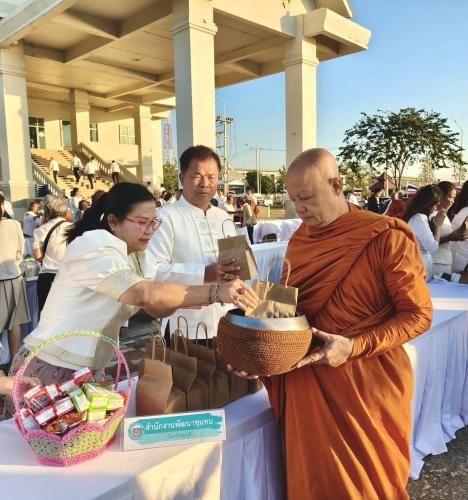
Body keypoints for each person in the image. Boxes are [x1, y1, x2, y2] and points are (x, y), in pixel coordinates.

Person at [230, 149, 432, 499]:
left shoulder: (385, 237)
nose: (300, 209)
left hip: (366, 389)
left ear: (336, 185)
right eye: (294, 200)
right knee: (313, 483)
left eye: (307, 198)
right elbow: (287, 310)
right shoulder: (300, 239)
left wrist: (354, 347)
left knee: (367, 487)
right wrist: (257, 350)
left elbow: (419, 315)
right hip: (310, 390)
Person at [5, 182, 257, 418]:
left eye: (153, 222)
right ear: (113, 222)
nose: (150, 230)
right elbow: (144, 294)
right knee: (42, 443)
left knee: (82, 443)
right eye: (141, 222)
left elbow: (156, 306)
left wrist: (190, 297)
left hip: (88, 369)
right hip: (51, 365)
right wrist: (215, 293)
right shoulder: (93, 246)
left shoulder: (136, 254)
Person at [148, 145, 242, 338]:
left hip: (226, 320)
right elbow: (153, 271)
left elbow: (237, 263)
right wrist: (205, 273)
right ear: (182, 178)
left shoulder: (223, 217)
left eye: (211, 177)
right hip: (185, 325)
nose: (205, 184)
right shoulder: (166, 217)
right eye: (197, 176)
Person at [0, 194, 31, 363]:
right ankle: (13, 361)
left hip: (9, 275)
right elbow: (21, 250)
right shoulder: (13, 224)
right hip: (12, 276)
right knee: (14, 323)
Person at [32, 195, 72, 315]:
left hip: (47, 277)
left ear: (48, 211)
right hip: (68, 276)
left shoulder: (41, 230)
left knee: (46, 316)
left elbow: (38, 256)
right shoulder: (74, 228)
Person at [403, 185, 444, 281]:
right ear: (428, 204)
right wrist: (437, 227)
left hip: (418, 263)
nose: (436, 208)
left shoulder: (416, 216)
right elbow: (432, 247)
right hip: (420, 264)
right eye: (436, 205)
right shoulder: (419, 218)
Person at [429, 181, 465, 275]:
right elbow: (428, 243)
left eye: (454, 198)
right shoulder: (431, 215)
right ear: (440, 196)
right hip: (436, 262)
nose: (452, 201)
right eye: (450, 197)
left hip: (445, 261)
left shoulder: (443, 215)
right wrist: (451, 237)